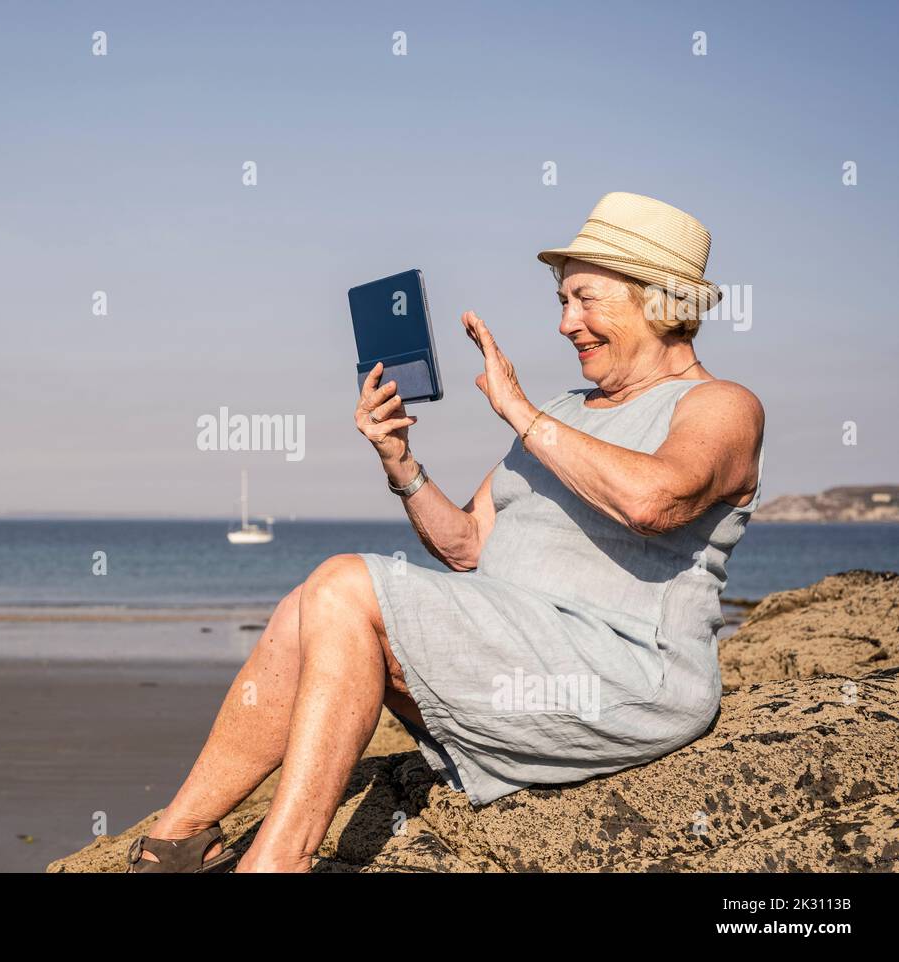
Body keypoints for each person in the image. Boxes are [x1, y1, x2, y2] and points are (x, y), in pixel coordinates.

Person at [126, 191, 765, 873]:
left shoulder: (721, 406)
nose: (565, 323)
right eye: (562, 302)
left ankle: (277, 863)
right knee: (305, 607)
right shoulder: (563, 411)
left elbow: (653, 502)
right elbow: (466, 544)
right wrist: (398, 459)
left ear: (660, 302)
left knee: (347, 583)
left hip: (626, 672)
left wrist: (519, 412)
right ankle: (179, 841)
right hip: (519, 647)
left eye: (586, 299)